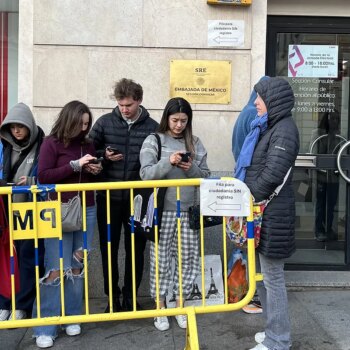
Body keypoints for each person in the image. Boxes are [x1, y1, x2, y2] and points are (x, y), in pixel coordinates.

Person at [235, 77, 299, 350]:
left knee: (273, 280)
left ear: (272, 100)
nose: (256, 103)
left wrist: (247, 197)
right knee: (265, 278)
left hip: (272, 213)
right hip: (265, 213)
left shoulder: (284, 129)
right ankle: (273, 332)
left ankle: (278, 341)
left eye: (259, 98)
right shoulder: (269, 126)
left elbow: (272, 174)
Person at [32, 100, 102, 349]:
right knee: (54, 266)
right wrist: (74, 165)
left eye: (87, 124)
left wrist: (94, 168)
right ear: (69, 120)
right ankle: (46, 325)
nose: (84, 129)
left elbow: (85, 172)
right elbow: (43, 176)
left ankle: (72, 315)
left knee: (77, 264)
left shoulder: (87, 143)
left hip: (87, 207)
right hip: (57, 210)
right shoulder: (51, 142)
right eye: (80, 124)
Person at [139, 97, 210, 331]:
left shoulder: (196, 143)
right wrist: (168, 162)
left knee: (188, 260)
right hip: (162, 211)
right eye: (175, 120)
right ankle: (160, 308)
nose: (179, 125)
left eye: (183, 121)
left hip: (189, 211)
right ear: (166, 118)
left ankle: (180, 305)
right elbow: (146, 174)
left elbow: (206, 177)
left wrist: (193, 169)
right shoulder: (154, 140)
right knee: (160, 260)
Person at [89, 78, 158, 312]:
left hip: (138, 199)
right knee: (108, 248)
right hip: (108, 197)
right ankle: (112, 298)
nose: (124, 109)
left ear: (139, 101)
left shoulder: (152, 127)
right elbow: (87, 151)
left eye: (128, 104)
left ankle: (131, 297)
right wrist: (103, 156)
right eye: (121, 105)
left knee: (136, 249)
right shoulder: (105, 122)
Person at [0, 103, 45, 321]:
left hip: (29, 211)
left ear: (29, 126)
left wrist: (33, 181)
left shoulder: (42, 145)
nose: (16, 131)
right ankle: (5, 303)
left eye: (20, 126)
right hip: (6, 212)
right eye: (12, 127)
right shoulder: (4, 147)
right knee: (6, 259)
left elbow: (46, 174)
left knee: (27, 259)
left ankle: (23, 305)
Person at [232, 76, 269, 315]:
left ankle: (238, 292)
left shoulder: (244, 113)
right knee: (249, 242)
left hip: (242, 181)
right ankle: (248, 295)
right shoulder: (254, 117)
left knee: (242, 241)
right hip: (250, 187)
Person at [310, 110, 342, 242]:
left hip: (334, 177)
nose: (333, 121)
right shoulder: (317, 134)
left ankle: (328, 228)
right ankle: (319, 230)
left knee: (331, 204)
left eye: (336, 119)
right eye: (331, 119)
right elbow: (314, 154)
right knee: (321, 204)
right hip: (321, 176)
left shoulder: (340, 136)